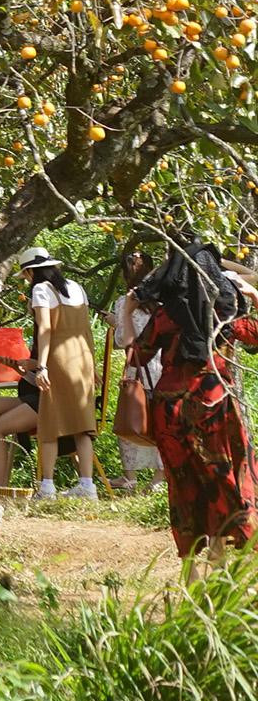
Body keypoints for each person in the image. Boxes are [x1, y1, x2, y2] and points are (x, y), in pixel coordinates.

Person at [129, 236, 258, 575]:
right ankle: (220, 560)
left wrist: (129, 314)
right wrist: (256, 296)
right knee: (222, 480)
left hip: (169, 412)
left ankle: (191, 570)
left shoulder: (165, 314)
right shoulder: (226, 311)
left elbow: (138, 354)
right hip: (212, 403)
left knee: (183, 484)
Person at [19, 246, 99, 500]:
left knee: (51, 422)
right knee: (83, 425)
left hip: (59, 360)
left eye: (25, 275)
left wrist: (41, 366)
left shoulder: (41, 290)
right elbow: (86, 331)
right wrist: (93, 365)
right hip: (82, 360)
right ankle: (88, 485)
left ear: (31, 272)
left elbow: (44, 330)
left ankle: (48, 486)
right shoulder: (77, 287)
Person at [110, 249, 163, 493]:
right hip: (162, 365)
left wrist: (114, 323)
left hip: (138, 367)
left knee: (130, 415)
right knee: (161, 422)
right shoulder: (163, 299)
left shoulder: (124, 302)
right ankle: (158, 479)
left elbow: (123, 339)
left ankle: (129, 477)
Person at [0, 326, 41, 491]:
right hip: (35, 395)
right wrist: (19, 370)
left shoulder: (53, 334)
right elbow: (39, 381)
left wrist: (39, 364)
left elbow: (56, 373)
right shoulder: (39, 333)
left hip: (52, 402)